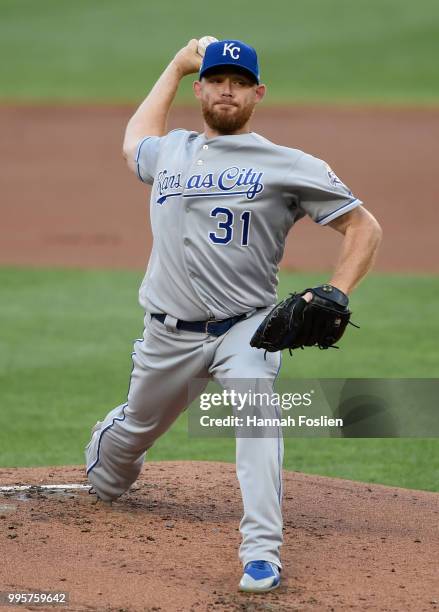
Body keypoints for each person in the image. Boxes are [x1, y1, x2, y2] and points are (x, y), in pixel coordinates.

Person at [85, 38, 382, 593]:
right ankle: (112, 449)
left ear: (258, 94)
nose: (227, 89)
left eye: (240, 82)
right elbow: (133, 143)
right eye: (217, 79)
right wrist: (174, 65)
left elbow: (364, 226)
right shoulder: (170, 151)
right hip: (166, 334)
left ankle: (261, 553)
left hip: (246, 329)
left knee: (257, 414)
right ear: (200, 89)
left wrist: (339, 290)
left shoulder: (289, 164)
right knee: (119, 460)